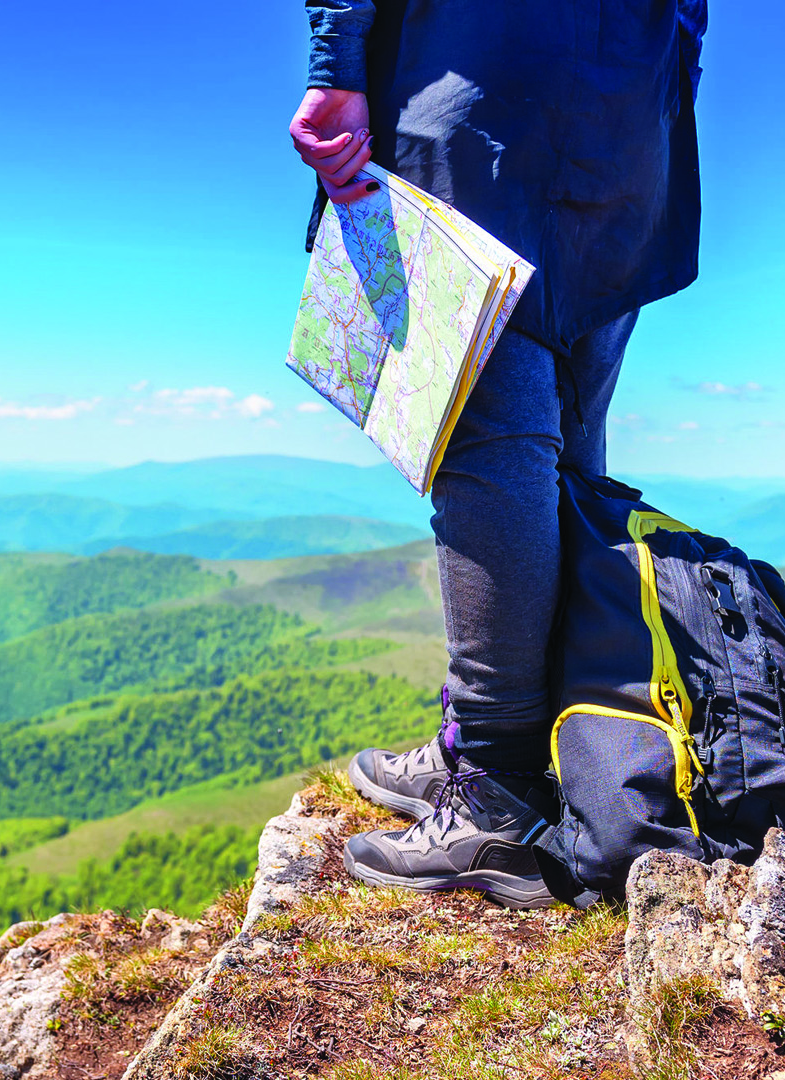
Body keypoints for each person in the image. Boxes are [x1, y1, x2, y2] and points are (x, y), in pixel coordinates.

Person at [290, 0, 708, 909]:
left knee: (487, 437)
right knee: (566, 436)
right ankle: (557, 747)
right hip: (628, 104)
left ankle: (494, 781)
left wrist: (335, 64)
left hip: (474, 79)